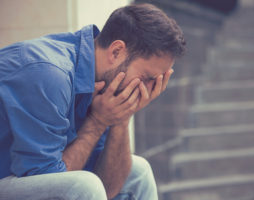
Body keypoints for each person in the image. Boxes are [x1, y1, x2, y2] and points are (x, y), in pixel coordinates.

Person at [0, 3, 185, 200]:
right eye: (147, 78)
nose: (147, 91)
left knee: (139, 172)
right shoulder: (48, 74)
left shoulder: (101, 81)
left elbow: (108, 189)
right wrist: (97, 121)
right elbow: (54, 184)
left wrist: (122, 118)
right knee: (84, 186)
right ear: (116, 52)